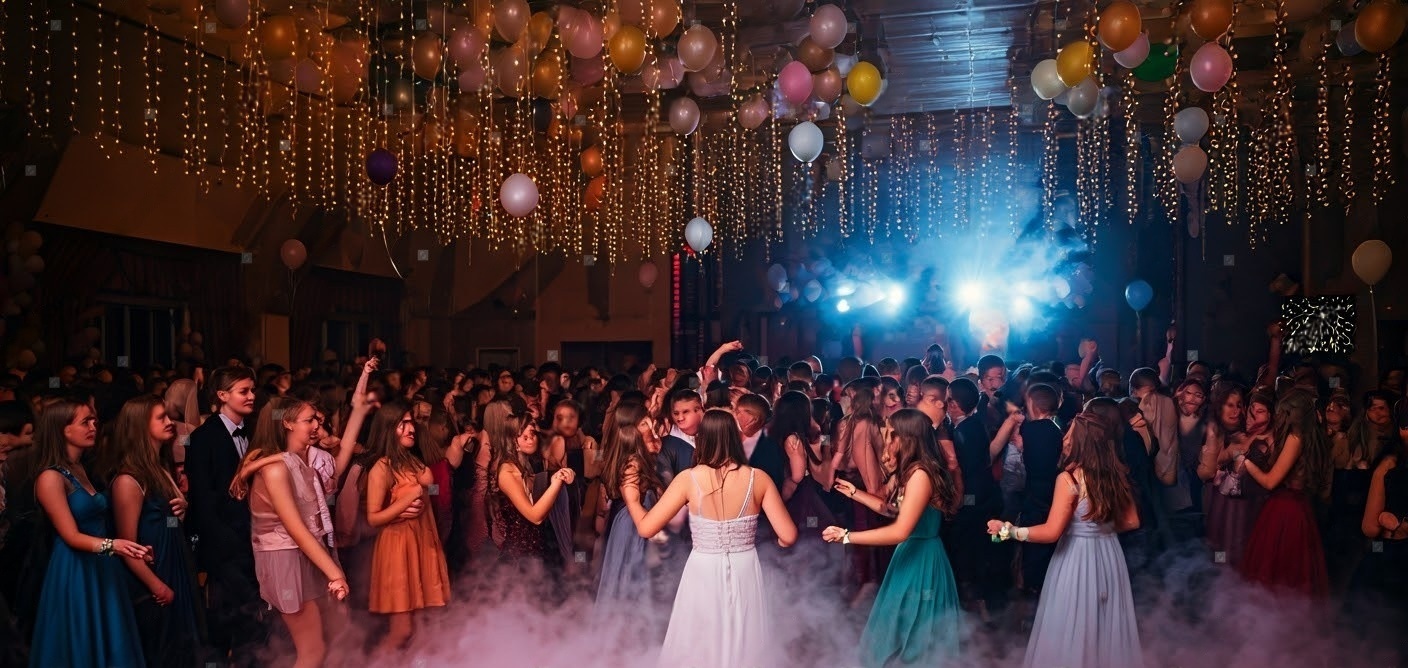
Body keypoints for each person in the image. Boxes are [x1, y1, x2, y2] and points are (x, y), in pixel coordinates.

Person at [634, 409, 797, 668]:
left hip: (703, 566)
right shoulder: (758, 479)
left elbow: (646, 528)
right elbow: (788, 535)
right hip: (744, 566)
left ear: (702, 439)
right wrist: (776, 544)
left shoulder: (687, 479)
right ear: (735, 437)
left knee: (701, 638)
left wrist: (632, 499)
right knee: (743, 637)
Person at [989, 413, 1143, 668]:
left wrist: (1008, 531)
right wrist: (1098, 527)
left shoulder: (1069, 479)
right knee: (1104, 622)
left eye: (1070, 435)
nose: (1065, 439)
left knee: (1073, 621)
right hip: (1109, 555)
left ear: (1081, 442)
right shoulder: (1116, 475)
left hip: (1077, 557)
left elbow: (1052, 532)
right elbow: (1132, 521)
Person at [824, 409, 961, 667]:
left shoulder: (921, 475)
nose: (887, 440)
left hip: (922, 559)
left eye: (892, 435)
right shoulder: (910, 471)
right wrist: (855, 493)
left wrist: (847, 537)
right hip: (909, 554)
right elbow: (891, 510)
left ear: (907, 438)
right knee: (895, 626)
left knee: (914, 633)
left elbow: (900, 531)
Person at [28, 399, 151, 668]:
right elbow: (70, 536)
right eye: (85, 422)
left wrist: (128, 548)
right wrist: (114, 546)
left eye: (94, 421)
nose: (94, 426)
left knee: (111, 639)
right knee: (82, 642)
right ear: (63, 429)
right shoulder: (50, 477)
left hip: (101, 565)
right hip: (75, 568)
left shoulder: (81, 468)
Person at [233, 397, 349, 668]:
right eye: (309, 420)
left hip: (305, 554)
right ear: (287, 423)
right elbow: (296, 529)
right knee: (312, 651)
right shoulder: (275, 469)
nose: (317, 425)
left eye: (317, 419)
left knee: (333, 638)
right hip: (285, 558)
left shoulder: (295, 462)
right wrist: (335, 573)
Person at [102, 395, 203, 667]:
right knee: (163, 650)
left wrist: (181, 511)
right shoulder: (128, 479)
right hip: (157, 572)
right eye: (161, 418)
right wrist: (157, 586)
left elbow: (166, 519)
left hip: (176, 562)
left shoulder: (159, 466)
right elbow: (127, 545)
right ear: (139, 426)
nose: (170, 422)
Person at [185, 365, 265, 664]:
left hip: (254, 538)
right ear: (222, 395)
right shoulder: (203, 438)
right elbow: (202, 499)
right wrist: (228, 542)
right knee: (229, 616)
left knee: (252, 618)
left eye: (252, 390)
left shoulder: (254, 431)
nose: (251, 396)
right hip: (225, 544)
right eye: (244, 391)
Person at [364, 403, 451, 654]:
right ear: (388, 429)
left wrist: (423, 492)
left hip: (424, 541)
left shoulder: (412, 461)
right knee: (402, 631)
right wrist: (404, 503)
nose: (411, 428)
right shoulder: (382, 467)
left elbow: (432, 490)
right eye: (403, 424)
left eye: (411, 422)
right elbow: (372, 518)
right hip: (398, 547)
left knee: (425, 628)